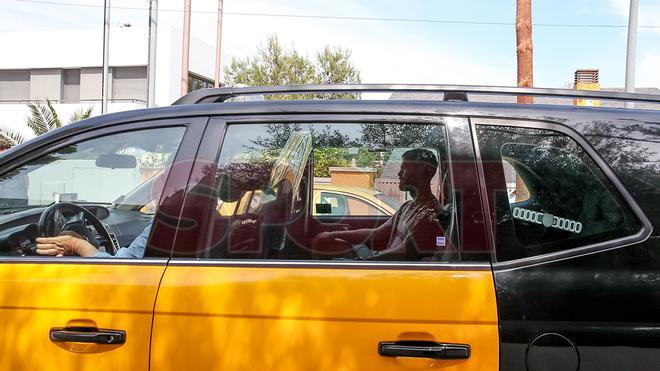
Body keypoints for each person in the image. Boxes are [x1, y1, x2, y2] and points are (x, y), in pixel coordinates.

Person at [313, 148, 454, 260]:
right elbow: (377, 233)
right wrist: (334, 234)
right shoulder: (408, 206)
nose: (399, 174)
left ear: (425, 172)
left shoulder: (431, 214)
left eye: (405, 168)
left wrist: (363, 263)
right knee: (324, 243)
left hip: (388, 269)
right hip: (380, 258)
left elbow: (404, 253)